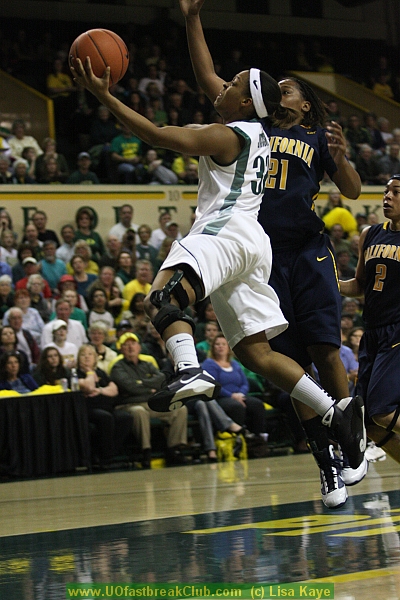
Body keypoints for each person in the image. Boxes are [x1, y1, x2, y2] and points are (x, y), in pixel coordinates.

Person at [72, 0, 366, 493]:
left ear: (247, 101)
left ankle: (189, 369)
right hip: (255, 247)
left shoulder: (232, 134)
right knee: (256, 352)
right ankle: (338, 412)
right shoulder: (255, 128)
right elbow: (205, 71)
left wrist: (105, 96)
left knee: (163, 299)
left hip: (227, 233)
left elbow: (158, 136)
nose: (221, 85)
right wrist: (191, 17)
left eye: (232, 84)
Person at [256, 69, 365, 506]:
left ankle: (354, 443)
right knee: (293, 366)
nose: (279, 91)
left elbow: (354, 191)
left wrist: (341, 156)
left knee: (325, 349)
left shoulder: (317, 137)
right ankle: (327, 468)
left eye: (288, 88)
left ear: (305, 104)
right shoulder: (256, 129)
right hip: (264, 256)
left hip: (307, 250)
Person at [339, 175, 400, 467]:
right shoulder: (370, 234)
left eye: (396, 192)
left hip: (397, 332)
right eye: (387, 191)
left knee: (381, 411)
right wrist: (330, 281)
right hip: (372, 333)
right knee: (370, 424)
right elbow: (360, 286)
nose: (388, 196)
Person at [110, 332, 188, 468]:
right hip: (129, 404)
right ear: (121, 349)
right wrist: (149, 386)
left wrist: (141, 383)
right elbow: (130, 387)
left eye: (133, 344)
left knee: (180, 408)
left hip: (151, 403)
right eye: (126, 345)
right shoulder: (117, 367)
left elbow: (161, 379)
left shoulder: (147, 363)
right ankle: (146, 451)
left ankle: (174, 450)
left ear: (139, 347)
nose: (130, 347)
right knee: (139, 412)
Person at [76, 344, 133, 469]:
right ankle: (105, 459)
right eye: (83, 354)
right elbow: (89, 387)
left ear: (95, 357)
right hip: (88, 409)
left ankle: (110, 453)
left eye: (90, 354)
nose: (86, 357)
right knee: (105, 418)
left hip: (107, 407)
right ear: (78, 358)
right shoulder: (77, 373)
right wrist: (90, 373)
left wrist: (100, 391)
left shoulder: (101, 372)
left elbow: (114, 390)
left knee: (125, 417)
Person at [202, 334, 268, 437]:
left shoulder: (234, 363)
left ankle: (259, 436)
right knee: (236, 407)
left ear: (228, 348)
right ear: (213, 347)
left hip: (239, 396)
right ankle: (239, 437)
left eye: (224, 344)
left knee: (257, 404)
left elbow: (245, 382)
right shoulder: (209, 364)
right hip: (221, 398)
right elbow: (213, 385)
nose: (220, 346)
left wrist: (241, 394)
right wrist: (232, 396)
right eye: (217, 344)